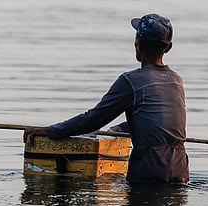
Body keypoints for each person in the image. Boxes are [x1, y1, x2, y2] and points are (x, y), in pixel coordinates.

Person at [23, 13, 189, 184]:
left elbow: (93, 120)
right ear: (168, 48)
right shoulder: (177, 81)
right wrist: (122, 128)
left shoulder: (131, 81)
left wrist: (50, 131)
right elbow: (158, 124)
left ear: (137, 43)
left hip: (149, 171)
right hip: (180, 170)